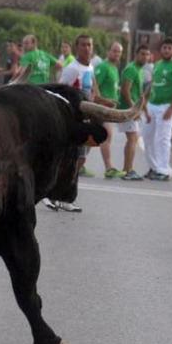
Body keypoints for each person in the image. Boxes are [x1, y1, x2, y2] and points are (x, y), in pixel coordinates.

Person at [44, 34, 114, 213]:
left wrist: (104, 102)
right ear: (77, 47)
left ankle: (59, 193)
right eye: (83, 45)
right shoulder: (71, 69)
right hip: (73, 120)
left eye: (89, 45)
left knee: (80, 158)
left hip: (87, 118)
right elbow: (59, 93)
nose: (87, 48)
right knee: (74, 157)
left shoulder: (90, 67)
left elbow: (92, 92)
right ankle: (60, 195)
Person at [141, 37, 172, 180]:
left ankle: (163, 170)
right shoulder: (158, 64)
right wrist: (144, 103)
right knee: (147, 136)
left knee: (162, 138)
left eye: (169, 48)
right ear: (160, 50)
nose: (166, 50)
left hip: (167, 106)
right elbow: (152, 84)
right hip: (152, 105)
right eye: (164, 48)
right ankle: (154, 167)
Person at [118, 44, 150, 181]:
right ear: (136, 54)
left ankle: (126, 169)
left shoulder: (140, 70)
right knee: (132, 139)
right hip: (127, 109)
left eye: (147, 54)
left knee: (132, 139)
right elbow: (125, 91)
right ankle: (128, 170)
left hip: (133, 110)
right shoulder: (131, 69)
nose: (145, 57)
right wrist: (133, 110)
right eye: (142, 53)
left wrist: (145, 111)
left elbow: (140, 94)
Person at [94, 41, 124, 179]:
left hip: (110, 109)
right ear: (108, 51)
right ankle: (109, 167)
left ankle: (79, 165)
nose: (117, 54)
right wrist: (104, 101)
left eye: (119, 52)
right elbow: (95, 87)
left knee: (94, 138)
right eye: (114, 51)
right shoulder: (103, 67)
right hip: (102, 108)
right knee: (107, 136)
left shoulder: (114, 68)